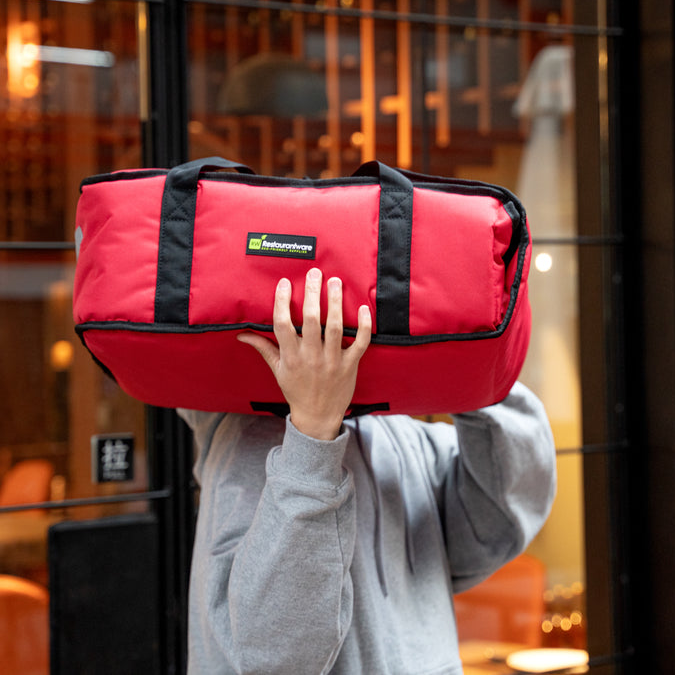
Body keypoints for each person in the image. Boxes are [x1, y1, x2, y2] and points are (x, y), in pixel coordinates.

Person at [178, 267, 557, 675]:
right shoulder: (243, 449)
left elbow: (497, 527)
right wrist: (313, 433)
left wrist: (467, 359)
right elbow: (277, 659)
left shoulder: (401, 435)